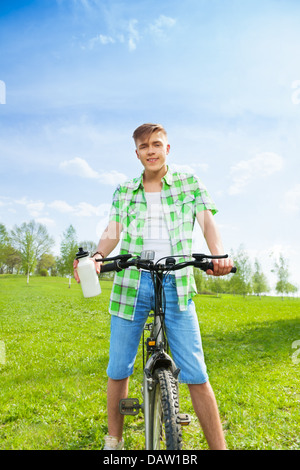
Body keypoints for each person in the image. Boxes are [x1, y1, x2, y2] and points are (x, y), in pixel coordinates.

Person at [74, 123, 233, 450]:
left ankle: (219, 448)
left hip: (177, 282)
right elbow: (112, 230)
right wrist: (99, 255)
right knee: (118, 367)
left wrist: (218, 256)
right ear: (137, 153)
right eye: (144, 146)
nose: (151, 150)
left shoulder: (189, 183)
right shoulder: (125, 191)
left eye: (157, 144)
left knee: (196, 371)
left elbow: (207, 224)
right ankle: (114, 440)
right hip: (132, 280)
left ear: (167, 149)